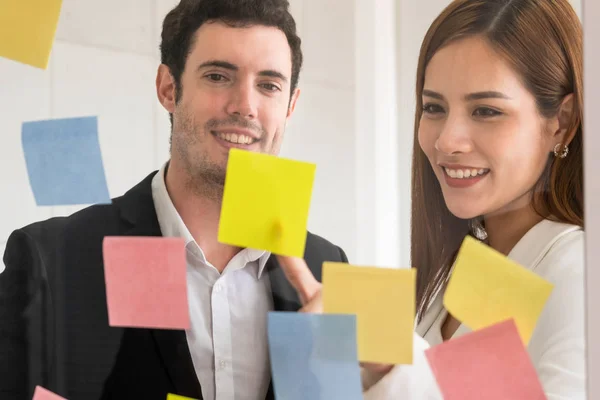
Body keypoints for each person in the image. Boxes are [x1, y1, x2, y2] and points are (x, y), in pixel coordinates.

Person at [0, 1, 350, 399]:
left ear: (290, 106)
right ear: (168, 88)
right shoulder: (53, 259)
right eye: (218, 76)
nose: (245, 106)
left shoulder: (326, 268)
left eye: (268, 85)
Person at [278, 0, 585, 398]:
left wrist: (392, 361)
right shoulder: (477, 265)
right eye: (434, 107)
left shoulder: (580, 276)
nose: (446, 140)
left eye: (487, 110)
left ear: (561, 123)